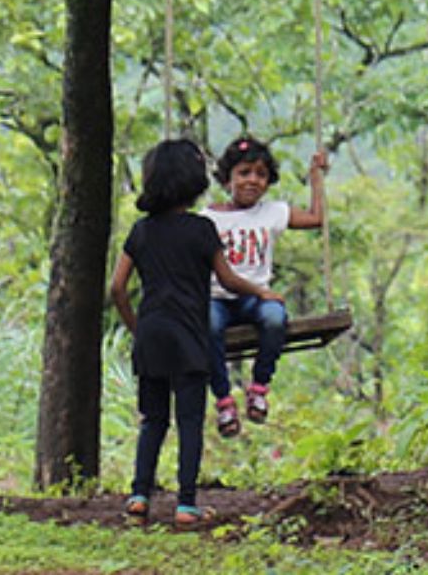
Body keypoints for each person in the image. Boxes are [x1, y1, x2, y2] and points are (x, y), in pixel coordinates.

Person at [110, 138, 282, 529]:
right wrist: (260, 291)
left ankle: (139, 496)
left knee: (152, 420)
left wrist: (136, 327)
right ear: (193, 182)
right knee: (189, 420)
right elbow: (227, 279)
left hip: (151, 334)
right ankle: (186, 503)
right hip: (190, 335)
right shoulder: (202, 229)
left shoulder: (141, 231)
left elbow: (117, 288)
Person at [201, 135, 327, 436]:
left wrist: (315, 178)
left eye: (261, 175)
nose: (252, 181)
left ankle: (259, 387)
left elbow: (315, 218)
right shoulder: (208, 218)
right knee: (207, 325)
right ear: (227, 178)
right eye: (244, 173)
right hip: (218, 298)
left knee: (274, 317)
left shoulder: (272, 212)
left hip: (255, 300)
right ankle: (224, 399)